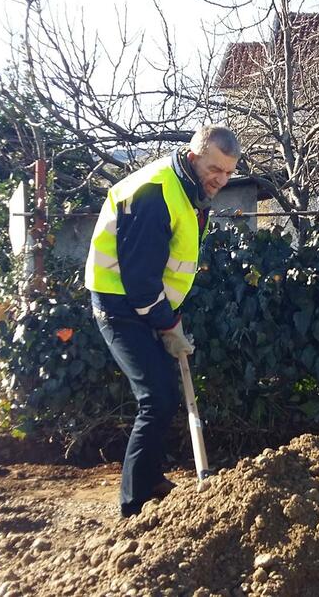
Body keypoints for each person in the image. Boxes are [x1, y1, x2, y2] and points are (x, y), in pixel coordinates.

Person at [84, 125, 241, 517]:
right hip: (119, 305)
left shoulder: (190, 189)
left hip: (146, 304)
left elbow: (166, 265)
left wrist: (170, 315)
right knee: (155, 399)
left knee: (165, 394)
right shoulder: (154, 194)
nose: (221, 180)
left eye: (228, 172)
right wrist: (167, 325)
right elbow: (140, 281)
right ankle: (133, 503)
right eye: (215, 169)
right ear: (192, 157)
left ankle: (151, 478)